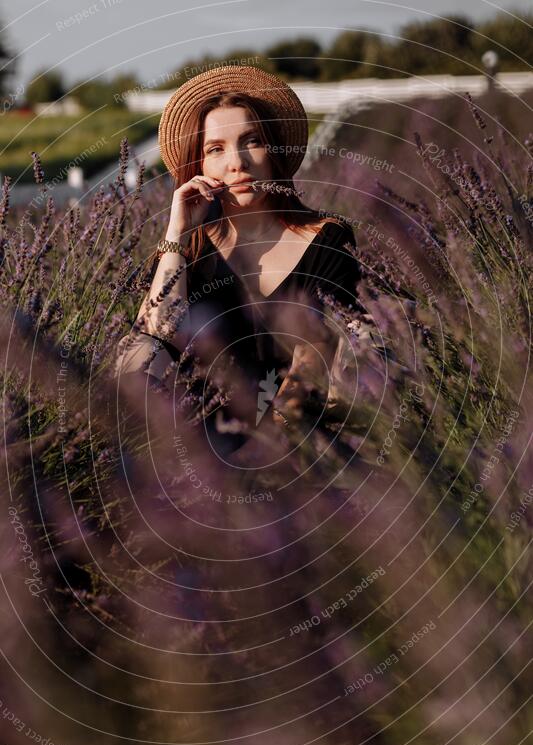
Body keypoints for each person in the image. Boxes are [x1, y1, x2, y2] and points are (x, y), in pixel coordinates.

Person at [114, 65, 365, 461]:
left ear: (273, 152)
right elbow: (152, 339)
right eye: (216, 149)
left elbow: (317, 352)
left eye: (252, 141)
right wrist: (176, 232)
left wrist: (260, 458)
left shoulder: (326, 238)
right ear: (199, 168)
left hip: (294, 443)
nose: (238, 162)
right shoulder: (190, 251)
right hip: (193, 442)